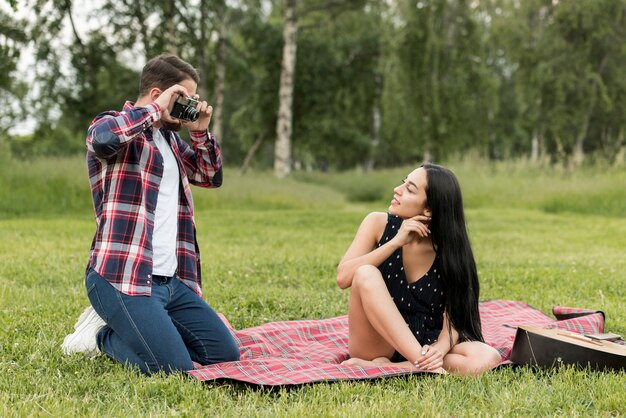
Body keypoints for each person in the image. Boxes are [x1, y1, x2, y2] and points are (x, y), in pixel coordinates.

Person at [62, 54, 240, 374]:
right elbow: (102, 140)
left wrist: (199, 131)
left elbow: (210, 176)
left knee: (224, 354)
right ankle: (101, 335)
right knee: (173, 368)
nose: (191, 105)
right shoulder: (115, 123)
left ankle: (145, 327)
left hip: (170, 282)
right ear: (159, 95)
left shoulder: (170, 140)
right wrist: (155, 111)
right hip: (120, 277)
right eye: (185, 98)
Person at [336, 163, 501, 375]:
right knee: (365, 273)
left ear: (429, 210)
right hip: (376, 341)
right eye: (403, 182)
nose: (397, 189)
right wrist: (395, 242)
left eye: (410, 189)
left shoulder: (451, 248)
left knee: (488, 357)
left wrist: (440, 349)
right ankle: (425, 367)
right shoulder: (377, 223)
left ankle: (393, 368)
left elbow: (455, 312)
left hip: (425, 341)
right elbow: (343, 278)